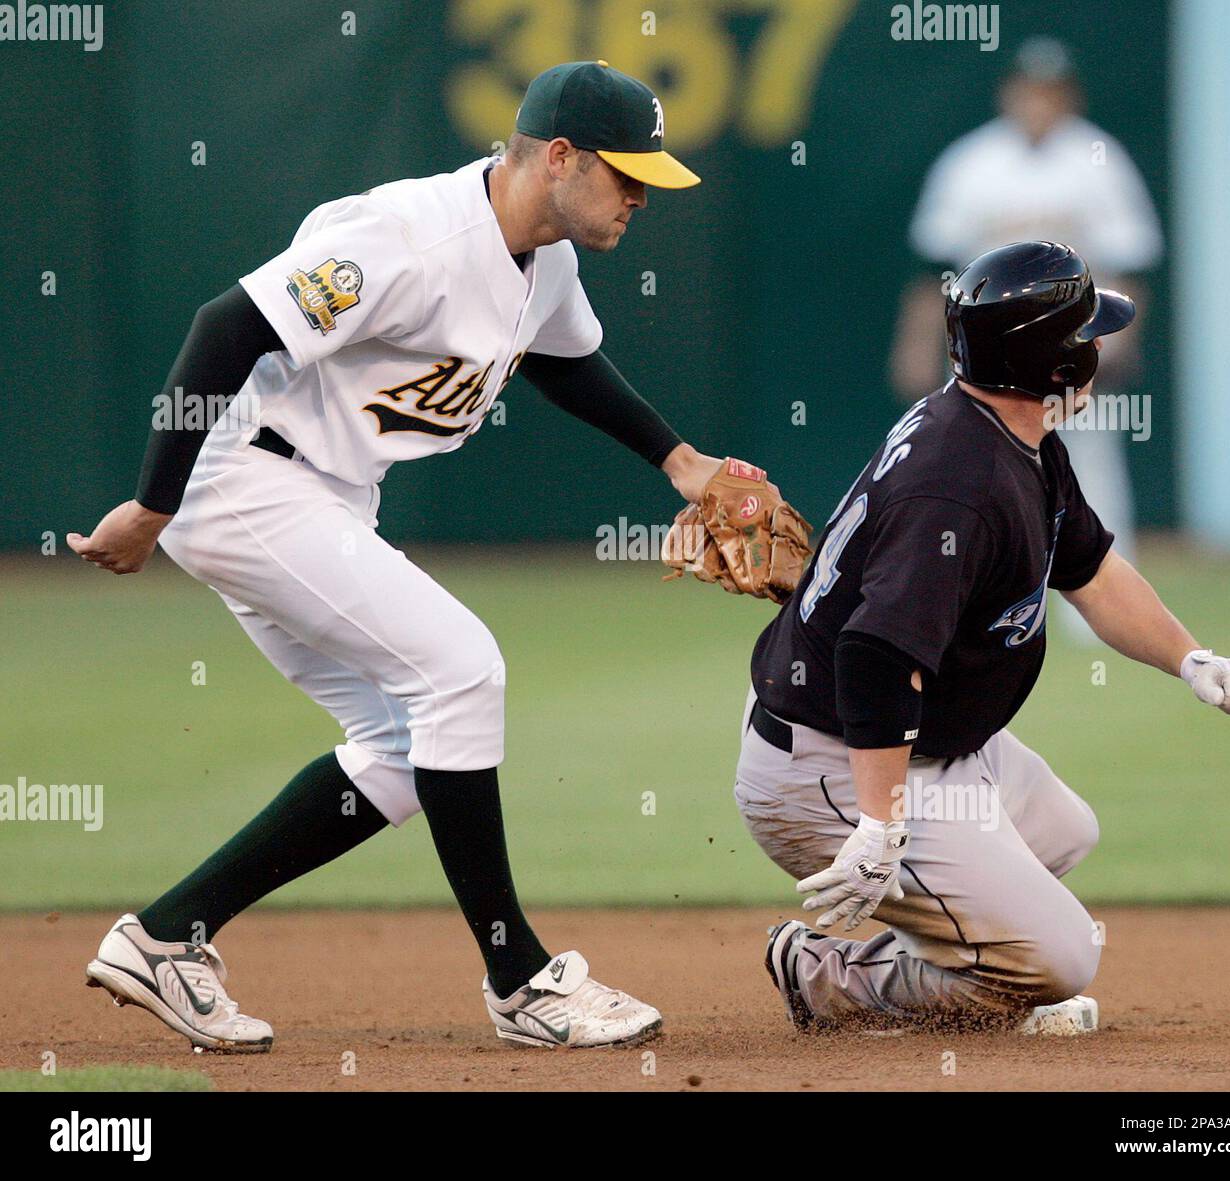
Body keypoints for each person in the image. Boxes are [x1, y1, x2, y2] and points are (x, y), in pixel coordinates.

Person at [71, 61, 756, 1052]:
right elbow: (224, 328)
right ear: (558, 157)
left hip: (329, 498)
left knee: (398, 748)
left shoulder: (548, 259)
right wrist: (150, 502)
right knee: (460, 668)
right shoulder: (407, 238)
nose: (640, 196)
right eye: (625, 173)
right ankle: (520, 978)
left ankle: (167, 936)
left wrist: (678, 459)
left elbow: (563, 360)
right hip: (249, 484)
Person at [738, 242, 1230, 1033]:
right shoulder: (962, 482)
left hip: (926, 745)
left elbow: (1090, 570)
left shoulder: (1014, 434)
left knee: (1062, 830)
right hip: (835, 759)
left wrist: (1191, 658)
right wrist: (880, 825)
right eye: (1087, 335)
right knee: (1060, 959)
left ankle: (969, 950)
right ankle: (824, 974)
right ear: (1056, 365)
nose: (1099, 347)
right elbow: (875, 655)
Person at [891, 37, 1163, 639]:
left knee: (1090, 475)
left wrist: (1120, 342)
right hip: (985, 354)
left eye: (1052, 90)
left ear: (1068, 96)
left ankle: (1101, 624)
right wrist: (915, 344)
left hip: (1072, 348)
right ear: (1010, 92)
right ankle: (967, 607)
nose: (1039, 101)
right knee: (971, 473)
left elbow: (1130, 263)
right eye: (1030, 88)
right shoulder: (971, 161)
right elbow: (931, 265)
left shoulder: (1099, 158)